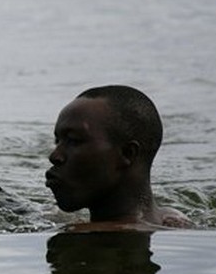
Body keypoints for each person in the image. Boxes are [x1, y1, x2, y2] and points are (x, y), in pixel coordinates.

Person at [45, 85, 190, 230]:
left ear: (127, 153)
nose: (54, 156)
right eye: (58, 141)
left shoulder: (78, 234)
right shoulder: (173, 218)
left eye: (74, 140)